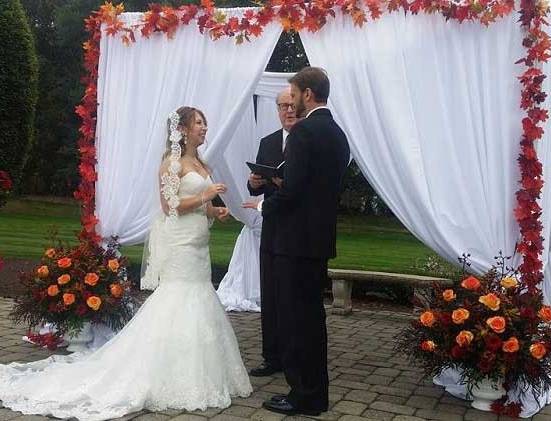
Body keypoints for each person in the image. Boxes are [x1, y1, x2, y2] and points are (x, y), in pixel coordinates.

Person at [0, 106, 253, 420]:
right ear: (183, 130)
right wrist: (206, 197)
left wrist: (216, 211)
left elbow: (199, 205)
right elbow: (169, 205)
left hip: (198, 243)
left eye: (204, 123)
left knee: (200, 294)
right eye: (199, 123)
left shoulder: (200, 162)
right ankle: (162, 369)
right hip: (180, 244)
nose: (205, 128)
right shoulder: (170, 164)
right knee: (179, 298)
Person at [252, 67, 350, 416]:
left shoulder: (303, 132)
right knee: (312, 320)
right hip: (319, 240)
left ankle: (302, 395)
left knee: (295, 322)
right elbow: (321, 188)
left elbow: (292, 191)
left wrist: (266, 203)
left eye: (293, 95)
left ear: (308, 94)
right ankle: (315, 394)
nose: (291, 102)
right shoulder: (338, 134)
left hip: (293, 243)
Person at [246, 87, 297, 377]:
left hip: (297, 228)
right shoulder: (267, 142)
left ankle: (293, 356)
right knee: (270, 292)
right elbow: (257, 187)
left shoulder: (306, 140)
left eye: (291, 105)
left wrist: (280, 184)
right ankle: (271, 356)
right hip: (272, 229)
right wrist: (254, 183)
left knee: (292, 297)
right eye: (282, 106)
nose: (287, 111)